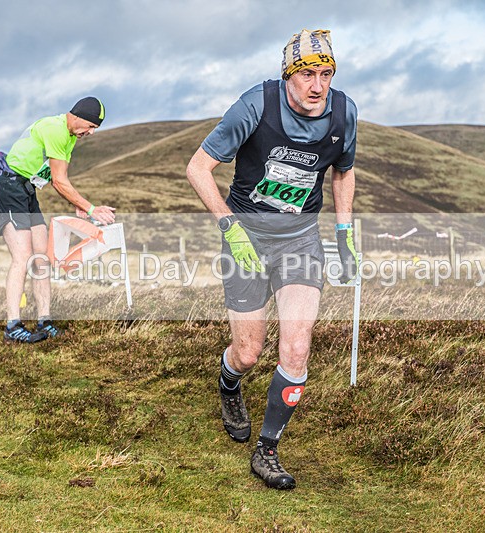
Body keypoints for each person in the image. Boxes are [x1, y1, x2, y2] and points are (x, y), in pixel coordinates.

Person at [186, 29, 359, 490]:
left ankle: (267, 450)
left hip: (300, 240)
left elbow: (343, 170)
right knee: (247, 352)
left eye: (326, 74)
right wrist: (229, 225)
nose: (317, 86)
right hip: (245, 237)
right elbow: (198, 167)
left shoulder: (344, 113)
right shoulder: (256, 106)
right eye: (306, 74)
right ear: (288, 76)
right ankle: (228, 385)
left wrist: (343, 233)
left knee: (297, 347)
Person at [0, 97, 116, 343]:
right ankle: (12, 326)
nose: (90, 133)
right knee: (22, 257)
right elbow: (58, 181)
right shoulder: (56, 129)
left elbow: (58, 176)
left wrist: (76, 204)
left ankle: (44, 321)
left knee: (42, 259)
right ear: (76, 116)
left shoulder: (69, 137)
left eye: (94, 130)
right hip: (7, 188)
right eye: (90, 126)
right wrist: (89, 209)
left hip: (26, 189)